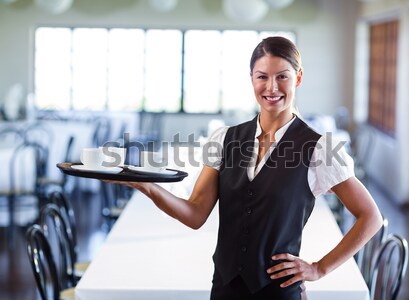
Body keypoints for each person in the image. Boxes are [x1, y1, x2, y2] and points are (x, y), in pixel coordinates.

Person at [107, 36, 383, 300]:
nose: (271, 88)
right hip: (225, 288)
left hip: (278, 292)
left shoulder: (318, 148)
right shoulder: (225, 139)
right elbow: (195, 214)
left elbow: (369, 217)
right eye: (262, 76)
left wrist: (319, 268)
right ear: (251, 79)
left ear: (298, 78)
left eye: (282, 76)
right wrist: (145, 186)